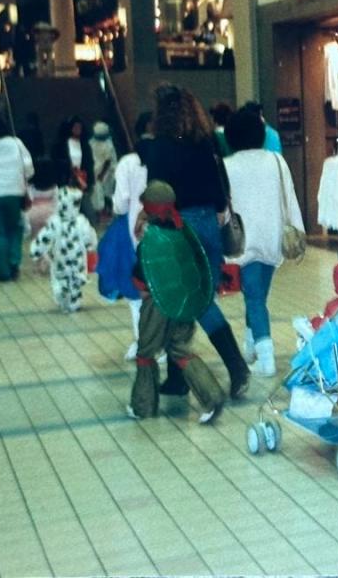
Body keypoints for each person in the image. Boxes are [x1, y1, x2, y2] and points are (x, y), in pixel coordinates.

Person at [143, 83, 249, 400]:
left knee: (194, 301)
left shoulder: (160, 146)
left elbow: (157, 192)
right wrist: (217, 211)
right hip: (208, 222)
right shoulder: (206, 141)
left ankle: (237, 366)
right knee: (188, 299)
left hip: (179, 226)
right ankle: (178, 378)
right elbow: (220, 186)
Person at [127, 180, 225, 423]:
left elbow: (142, 278)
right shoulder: (183, 232)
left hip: (157, 305)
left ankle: (143, 406)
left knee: (146, 353)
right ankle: (212, 398)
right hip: (183, 303)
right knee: (181, 351)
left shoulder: (151, 240)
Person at [224, 108, 304, 377]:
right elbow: (289, 197)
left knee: (255, 298)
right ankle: (250, 346)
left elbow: (224, 208)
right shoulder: (276, 160)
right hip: (272, 239)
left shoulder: (227, 165)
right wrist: (299, 232)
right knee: (256, 295)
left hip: (242, 241)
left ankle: (266, 358)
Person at [113, 112, 154, 361]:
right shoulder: (171, 155)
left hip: (135, 234)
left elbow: (119, 204)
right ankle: (162, 343)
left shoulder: (128, 162)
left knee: (137, 292)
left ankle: (144, 341)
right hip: (167, 232)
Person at [30, 186, 97, 312]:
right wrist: (91, 246)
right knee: (75, 279)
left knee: (60, 278)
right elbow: (89, 236)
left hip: (60, 257)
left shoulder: (55, 222)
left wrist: (36, 250)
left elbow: (45, 237)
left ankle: (63, 296)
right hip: (77, 258)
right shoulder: (81, 221)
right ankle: (74, 300)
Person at [0, 113, 33, 281]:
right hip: (14, 193)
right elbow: (29, 167)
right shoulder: (16, 143)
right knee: (14, 229)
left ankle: (3, 272)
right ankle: (14, 264)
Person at [52, 115, 96, 222]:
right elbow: (56, 160)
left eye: (79, 127)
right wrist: (69, 167)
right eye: (75, 127)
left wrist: (90, 179)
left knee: (86, 208)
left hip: (82, 179)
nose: (78, 130)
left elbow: (89, 163)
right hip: (68, 179)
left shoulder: (85, 145)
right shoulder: (61, 145)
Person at [90, 121, 118, 218]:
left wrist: (102, 174)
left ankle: (107, 211)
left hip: (107, 172)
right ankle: (100, 212)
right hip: (97, 171)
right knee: (98, 193)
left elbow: (108, 161)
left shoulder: (108, 144)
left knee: (107, 192)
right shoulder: (92, 142)